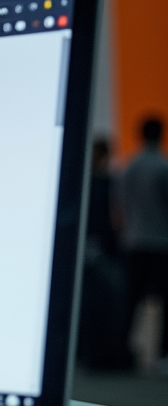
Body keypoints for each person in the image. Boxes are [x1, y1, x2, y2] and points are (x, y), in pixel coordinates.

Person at [118, 116, 168, 370]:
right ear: (161, 134)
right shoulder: (162, 166)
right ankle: (161, 354)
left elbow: (119, 204)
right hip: (160, 242)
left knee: (131, 301)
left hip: (134, 241)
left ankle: (123, 350)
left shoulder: (129, 166)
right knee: (165, 302)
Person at [77, 139, 131, 369]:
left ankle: (91, 352)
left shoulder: (86, 181)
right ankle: (100, 353)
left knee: (91, 304)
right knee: (104, 302)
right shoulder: (104, 182)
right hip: (101, 251)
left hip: (91, 251)